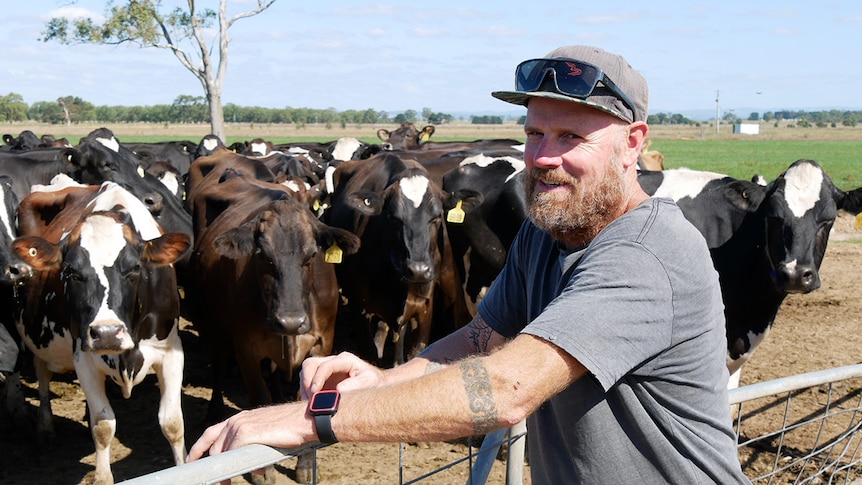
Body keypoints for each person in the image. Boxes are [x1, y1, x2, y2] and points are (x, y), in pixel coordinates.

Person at [188, 45, 750, 483]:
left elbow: (507, 389)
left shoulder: (647, 254)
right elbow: (483, 338)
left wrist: (308, 419)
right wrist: (379, 381)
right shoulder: (546, 231)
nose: (544, 157)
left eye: (571, 137)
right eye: (534, 133)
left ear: (634, 144)